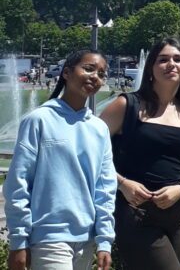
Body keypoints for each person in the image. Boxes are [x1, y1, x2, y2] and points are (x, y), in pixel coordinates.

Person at [4, 49, 116, 270]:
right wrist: (18, 241)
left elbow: (105, 188)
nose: (95, 76)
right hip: (47, 237)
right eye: (89, 68)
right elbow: (18, 183)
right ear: (66, 72)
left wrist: (104, 240)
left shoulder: (99, 129)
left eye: (101, 73)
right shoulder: (39, 120)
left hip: (86, 239)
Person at [103, 37, 180, 270]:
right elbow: (89, 151)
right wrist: (122, 183)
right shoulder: (126, 105)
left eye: (178, 59)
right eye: (163, 60)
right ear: (150, 68)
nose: (171, 64)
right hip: (136, 211)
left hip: (177, 211)